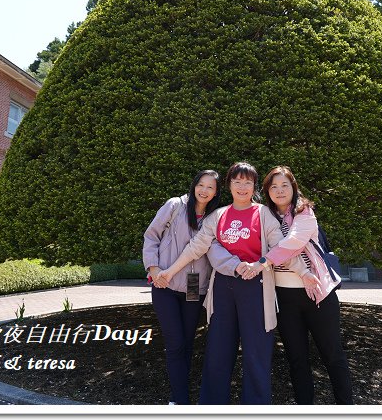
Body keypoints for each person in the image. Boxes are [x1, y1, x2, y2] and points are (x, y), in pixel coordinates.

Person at [155, 162, 317, 405]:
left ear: (254, 186)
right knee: (218, 351)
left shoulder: (264, 213)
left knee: (256, 352)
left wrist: (304, 272)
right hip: (223, 288)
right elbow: (197, 247)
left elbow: (281, 247)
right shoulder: (217, 215)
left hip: (256, 287)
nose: (242, 187)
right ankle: (211, 406)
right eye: (237, 181)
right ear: (229, 184)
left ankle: (256, 407)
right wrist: (169, 271)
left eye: (248, 182)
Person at [244, 165, 353, 404]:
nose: (279, 191)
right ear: (267, 191)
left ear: (293, 188)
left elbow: (292, 244)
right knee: (297, 359)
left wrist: (260, 263)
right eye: (273, 187)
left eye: (284, 185)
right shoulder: (265, 217)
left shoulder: (305, 213)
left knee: (333, 355)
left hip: (318, 294)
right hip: (285, 297)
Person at [142, 170, 223, 405]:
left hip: (193, 286)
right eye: (201, 184)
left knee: (187, 343)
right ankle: (179, 401)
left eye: (210, 187)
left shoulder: (215, 217)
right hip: (164, 284)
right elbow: (151, 236)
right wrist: (153, 268)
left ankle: (181, 394)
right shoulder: (175, 205)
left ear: (216, 193)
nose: (204, 190)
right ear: (194, 185)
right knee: (175, 343)